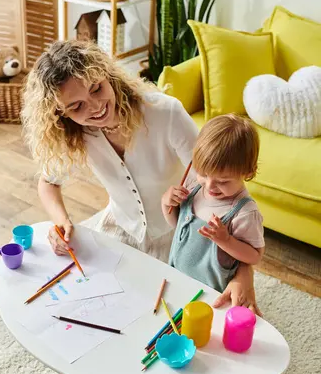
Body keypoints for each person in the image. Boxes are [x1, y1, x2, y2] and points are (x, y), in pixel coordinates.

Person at [22, 40, 260, 314]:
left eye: (97, 89)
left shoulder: (164, 113)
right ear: (60, 114)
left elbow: (224, 186)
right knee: (96, 304)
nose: (95, 107)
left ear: (107, 76)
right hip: (122, 229)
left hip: (180, 237)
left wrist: (244, 273)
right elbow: (48, 182)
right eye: (76, 107)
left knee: (183, 314)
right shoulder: (75, 133)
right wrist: (62, 222)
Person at [162, 114, 265, 301]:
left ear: (248, 173)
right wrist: (166, 204)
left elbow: (255, 256)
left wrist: (226, 241)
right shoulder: (194, 187)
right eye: (203, 173)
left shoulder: (244, 213)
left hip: (212, 295)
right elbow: (178, 227)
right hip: (177, 280)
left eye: (223, 181)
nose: (209, 186)